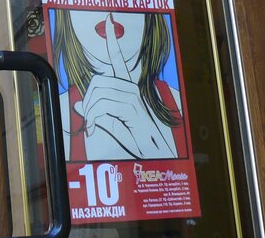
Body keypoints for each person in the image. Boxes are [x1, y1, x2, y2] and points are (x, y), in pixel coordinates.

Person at [53, 9, 185, 161]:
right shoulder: (57, 116)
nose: (107, 8)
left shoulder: (182, 104)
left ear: (150, 17)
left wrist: (151, 143)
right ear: (66, 17)